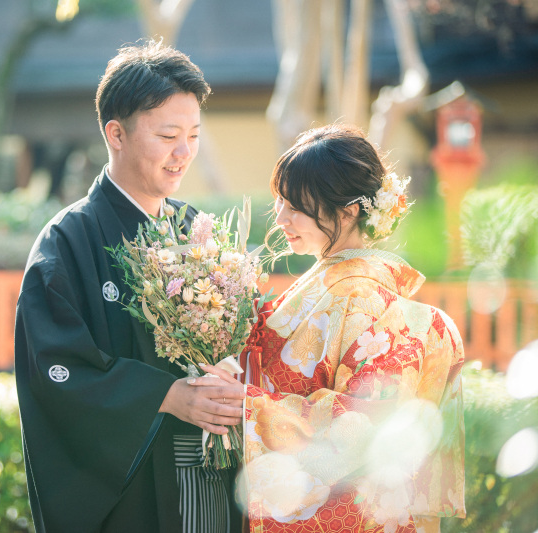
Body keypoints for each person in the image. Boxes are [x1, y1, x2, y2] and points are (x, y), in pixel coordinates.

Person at [14, 41, 245, 533]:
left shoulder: (197, 230)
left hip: (211, 467)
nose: (183, 153)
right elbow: (56, 370)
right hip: (132, 488)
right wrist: (166, 395)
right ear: (115, 134)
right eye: (167, 135)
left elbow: (243, 335)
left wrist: (232, 366)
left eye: (193, 135)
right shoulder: (68, 241)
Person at [198, 124, 466, 532]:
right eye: (280, 203)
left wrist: (249, 404)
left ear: (348, 210)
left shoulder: (361, 296)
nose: (282, 219)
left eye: (297, 207)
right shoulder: (335, 283)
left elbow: (363, 422)